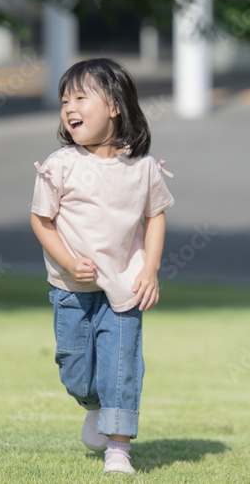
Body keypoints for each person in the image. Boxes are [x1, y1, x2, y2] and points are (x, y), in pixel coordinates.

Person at [31, 58, 174, 476]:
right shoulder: (60, 164)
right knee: (76, 374)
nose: (69, 108)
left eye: (80, 97)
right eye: (64, 101)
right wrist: (70, 263)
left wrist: (149, 269)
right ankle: (95, 407)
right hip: (70, 290)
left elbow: (157, 216)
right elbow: (41, 221)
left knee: (122, 366)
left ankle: (118, 449)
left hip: (124, 287)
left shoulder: (143, 166)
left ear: (114, 105)